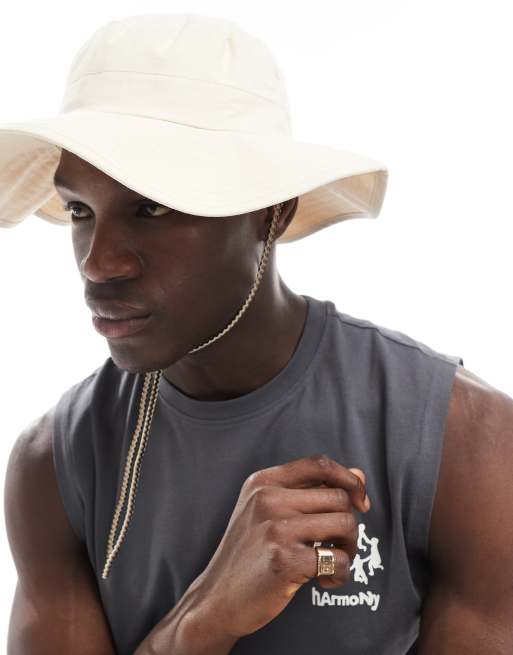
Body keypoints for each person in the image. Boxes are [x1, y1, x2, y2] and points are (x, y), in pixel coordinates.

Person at [2, 12, 512, 655]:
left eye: (152, 207)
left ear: (271, 214)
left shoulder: (463, 438)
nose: (98, 263)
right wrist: (204, 620)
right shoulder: (54, 464)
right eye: (80, 210)